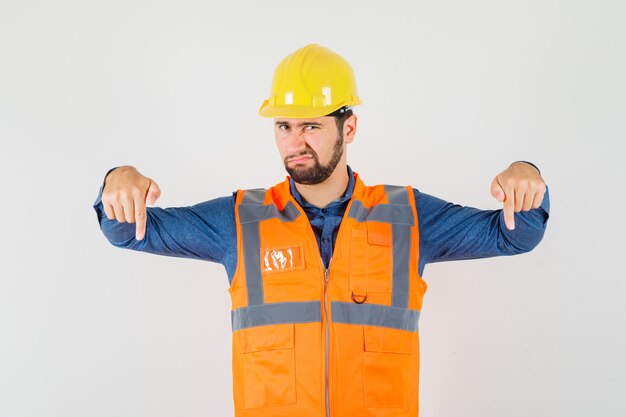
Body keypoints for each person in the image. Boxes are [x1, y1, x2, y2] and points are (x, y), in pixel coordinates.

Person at [93, 44, 549, 417]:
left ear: (348, 128)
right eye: (285, 126)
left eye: (311, 125)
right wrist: (120, 177)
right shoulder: (237, 220)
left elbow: (517, 234)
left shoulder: (408, 216)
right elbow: (125, 231)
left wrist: (525, 173)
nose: (295, 142)